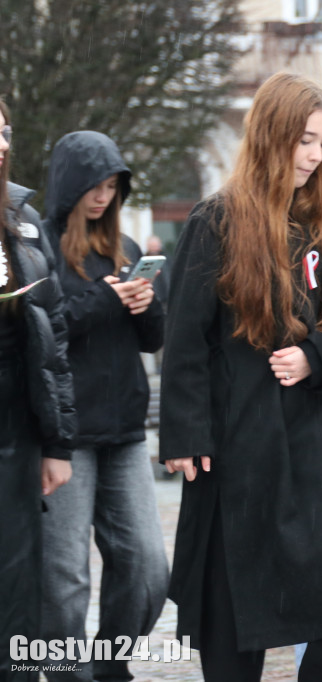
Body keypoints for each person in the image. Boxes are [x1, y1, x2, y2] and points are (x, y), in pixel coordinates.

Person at [159, 72, 322, 682]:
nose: (313, 156)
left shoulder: (319, 221)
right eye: (304, 140)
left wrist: (315, 358)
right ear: (271, 134)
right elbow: (185, 341)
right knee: (234, 605)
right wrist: (186, 435)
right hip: (239, 445)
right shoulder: (217, 219)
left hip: (313, 441)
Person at [38, 129, 169, 682]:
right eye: (95, 184)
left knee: (147, 567)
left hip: (125, 431)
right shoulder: (36, 247)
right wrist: (106, 300)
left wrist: (142, 304)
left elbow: (152, 339)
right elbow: (41, 335)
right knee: (65, 576)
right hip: (65, 433)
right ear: (71, 184)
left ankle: (109, 666)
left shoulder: (128, 250)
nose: (103, 196)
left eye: (113, 186)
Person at [0, 100, 76, 682]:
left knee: (17, 581)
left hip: (16, 432)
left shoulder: (20, 221)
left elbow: (52, 342)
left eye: (4, 132)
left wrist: (56, 442)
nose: (2, 145)